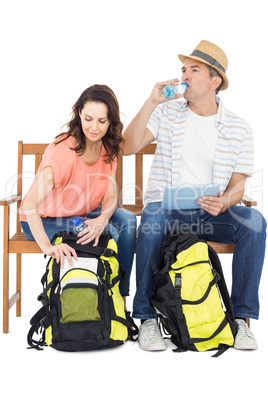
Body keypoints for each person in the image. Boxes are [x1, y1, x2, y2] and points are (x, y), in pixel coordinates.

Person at [123, 40, 266, 351]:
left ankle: (240, 320)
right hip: (168, 212)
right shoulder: (167, 113)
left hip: (210, 214)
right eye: (183, 69)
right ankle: (146, 318)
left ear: (215, 82)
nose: (184, 75)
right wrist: (151, 102)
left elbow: (238, 185)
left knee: (254, 220)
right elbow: (126, 147)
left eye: (194, 70)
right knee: (152, 214)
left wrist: (226, 201)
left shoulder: (240, 128)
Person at [20, 84, 137, 308]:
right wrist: (47, 247)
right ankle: (106, 299)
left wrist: (101, 219)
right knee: (110, 232)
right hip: (44, 220)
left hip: (77, 215)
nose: (94, 127)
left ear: (111, 121)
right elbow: (30, 205)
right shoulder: (64, 151)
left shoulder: (108, 148)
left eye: (102, 121)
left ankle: (120, 295)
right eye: (88, 119)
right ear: (79, 115)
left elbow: (111, 198)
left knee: (128, 221)